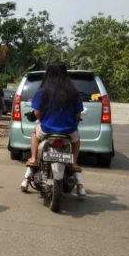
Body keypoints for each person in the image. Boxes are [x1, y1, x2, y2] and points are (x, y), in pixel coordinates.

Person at [20, 61, 85, 197]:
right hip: (68, 131)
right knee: (77, 140)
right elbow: (78, 114)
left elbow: (37, 114)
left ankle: (33, 158)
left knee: (34, 132)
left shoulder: (44, 91)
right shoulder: (73, 91)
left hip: (47, 130)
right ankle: (73, 162)